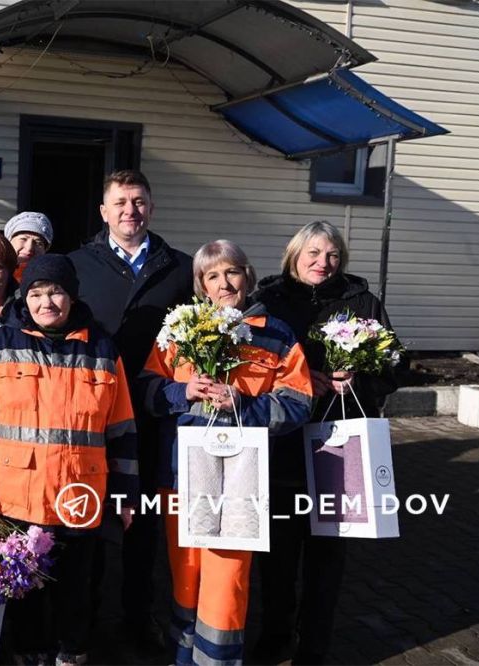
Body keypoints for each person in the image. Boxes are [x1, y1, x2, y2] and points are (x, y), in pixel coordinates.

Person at [137, 240, 313, 666]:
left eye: (231, 271)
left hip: (241, 480)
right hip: (181, 476)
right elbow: (144, 390)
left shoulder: (275, 332)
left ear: (247, 275)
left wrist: (245, 405)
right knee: (186, 575)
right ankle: (184, 656)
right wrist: (183, 391)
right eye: (212, 275)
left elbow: (299, 401)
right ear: (200, 284)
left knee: (226, 581)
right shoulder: (177, 330)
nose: (223, 282)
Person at [0, 254, 139, 665]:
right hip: (15, 498)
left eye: (55, 292)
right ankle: (29, 653)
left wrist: (126, 495)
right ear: (25, 297)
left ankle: (72, 653)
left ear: (72, 296)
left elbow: (122, 429)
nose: (47, 302)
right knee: (24, 591)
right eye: (36, 294)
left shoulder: (103, 348)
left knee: (78, 588)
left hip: (80, 496)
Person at [251, 221, 400, 665]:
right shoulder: (268, 300)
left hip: (341, 441)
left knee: (328, 553)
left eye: (332, 254)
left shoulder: (362, 302)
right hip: (283, 443)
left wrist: (359, 378)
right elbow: (250, 368)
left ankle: (314, 644)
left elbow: (393, 365)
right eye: (313, 253)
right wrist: (299, 380)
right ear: (294, 255)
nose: (323, 262)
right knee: (277, 552)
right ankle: (276, 634)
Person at [69, 169, 194, 649]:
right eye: (119, 202)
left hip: (152, 416)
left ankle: (138, 620)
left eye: (138, 201)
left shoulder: (180, 269)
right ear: (103, 212)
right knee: (89, 520)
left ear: (151, 208)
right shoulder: (77, 265)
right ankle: (88, 621)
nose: (129, 210)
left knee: (142, 523)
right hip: (91, 419)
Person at [4, 210, 53, 282]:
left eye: (38, 243)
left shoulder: (51, 280)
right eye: (23, 239)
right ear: (9, 241)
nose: (29, 248)